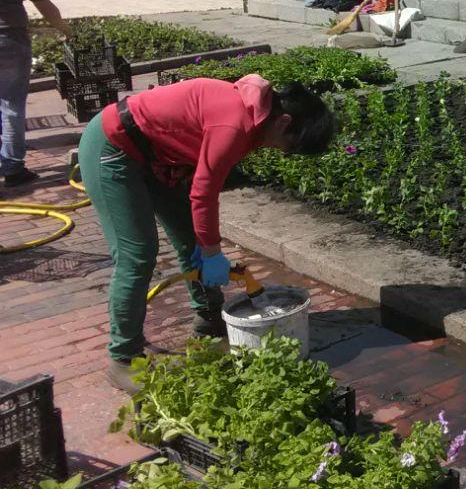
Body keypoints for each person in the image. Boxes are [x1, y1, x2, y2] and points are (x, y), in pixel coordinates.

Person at [79, 76, 336, 391]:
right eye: (290, 148)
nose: (283, 153)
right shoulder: (235, 125)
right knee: (138, 256)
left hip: (155, 156)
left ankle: (209, 322)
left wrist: (206, 247)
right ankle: (123, 358)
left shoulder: (257, 116)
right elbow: (202, 193)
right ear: (284, 123)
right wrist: (213, 253)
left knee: (191, 241)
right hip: (113, 146)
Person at [0, 0, 74, 187]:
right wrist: (65, 29)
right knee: (11, 105)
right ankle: (13, 167)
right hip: (11, 42)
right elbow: (46, 8)